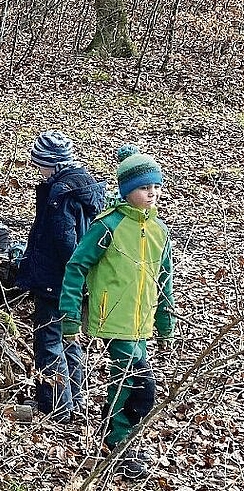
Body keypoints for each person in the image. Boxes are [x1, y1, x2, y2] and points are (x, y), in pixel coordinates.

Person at [58, 145, 175, 479]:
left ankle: (119, 439)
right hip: (112, 319)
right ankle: (119, 442)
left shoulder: (159, 231)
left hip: (142, 322)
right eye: (143, 187)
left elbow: (164, 280)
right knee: (139, 383)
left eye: (156, 186)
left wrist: (165, 326)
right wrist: (69, 319)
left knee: (128, 384)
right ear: (127, 191)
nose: (151, 192)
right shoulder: (107, 226)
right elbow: (76, 266)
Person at [16, 131, 106, 423]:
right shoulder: (83, 187)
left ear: (51, 165)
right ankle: (76, 401)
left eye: (40, 166)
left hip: (57, 282)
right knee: (70, 340)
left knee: (50, 342)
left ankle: (56, 406)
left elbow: (66, 243)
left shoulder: (59, 196)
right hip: (75, 283)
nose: (38, 172)